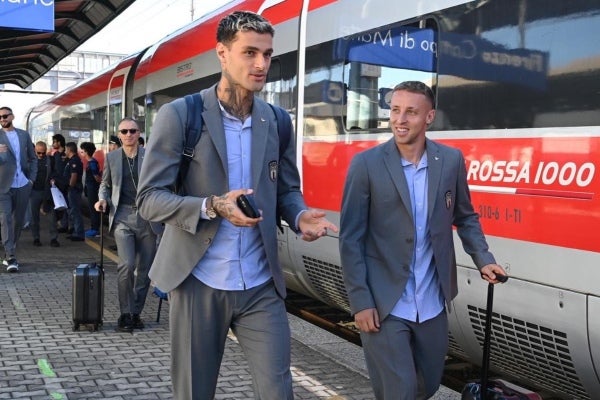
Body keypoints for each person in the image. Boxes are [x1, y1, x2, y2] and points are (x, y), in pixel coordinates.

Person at [136, 11, 337, 400]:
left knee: (279, 392)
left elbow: (285, 191)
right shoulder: (181, 115)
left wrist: (298, 214)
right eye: (249, 53)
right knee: (195, 391)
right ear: (222, 54)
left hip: (260, 283)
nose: (261, 64)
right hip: (199, 281)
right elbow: (148, 200)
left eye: (267, 54)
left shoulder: (277, 121)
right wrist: (212, 206)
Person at [339, 81, 508, 400]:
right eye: (395, 110)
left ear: (429, 117)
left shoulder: (450, 161)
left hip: (432, 302)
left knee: (427, 385)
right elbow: (350, 238)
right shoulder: (367, 165)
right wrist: (360, 301)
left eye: (411, 112)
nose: (399, 119)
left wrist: (483, 258)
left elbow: (465, 216)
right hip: (385, 303)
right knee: (400, 390)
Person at [95, 118, 156, 333]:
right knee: (127, 265)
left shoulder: (150, 155)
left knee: (146, 270)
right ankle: (125, 313)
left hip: (149, 218)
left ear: (139, 133)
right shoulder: (112, 157)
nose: (128, 134)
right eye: (124, 131)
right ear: (119, 135)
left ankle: (136, 313)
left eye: (132, 130)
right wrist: (102, 198)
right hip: (121, 217)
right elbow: (105, 184)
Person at [0, 106, 37, 272]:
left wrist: (31, 180)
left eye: (5, 116)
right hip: (3, 186)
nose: (2, 119)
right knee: (6, 219)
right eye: (0, 117)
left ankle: (10, 248)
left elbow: (33, 158)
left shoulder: (23, 135)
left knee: (19, 221)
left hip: (22, 184)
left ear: (12, 116)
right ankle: (11, 256)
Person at [30, 141, 60, 247]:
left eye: (43, 152)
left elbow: (56, 172)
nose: (41, 155)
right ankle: (36, 238)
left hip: (48, 192)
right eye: (39, 153)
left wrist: (53, 179)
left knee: (52, 217)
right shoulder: (30, 161)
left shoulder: (50, 160)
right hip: (34, 192)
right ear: (35, 151)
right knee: (34, 218)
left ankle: (53, 238)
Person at [63, 142, 85, 241]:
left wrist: (70, 186)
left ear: (69, 150)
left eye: (66, 149)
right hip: (73, 189)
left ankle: (79, 233)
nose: (65, 151)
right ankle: (75, 231)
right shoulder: (71, 160)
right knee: (73, 210)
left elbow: (74, 176)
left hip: (74, 190)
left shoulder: (74, 161)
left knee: (75, 211)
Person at [80, 142, 102, 237]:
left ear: (86, 151)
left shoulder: (92, 163)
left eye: (82, 151)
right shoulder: (91, 162)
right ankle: (94, 228)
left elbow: (97, 178)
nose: (81, 153)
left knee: (93, 209)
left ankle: (95, 230)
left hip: (93, 189)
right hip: (90, 188)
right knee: (92, 208)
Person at [50, 133, 69, 233]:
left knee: (66, 204)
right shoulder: (56, 154)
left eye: (54, 142)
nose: (53, 144)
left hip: (65, 184)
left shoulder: (66, 155)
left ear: (59, 142)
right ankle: (63, 223)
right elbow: (54, 169)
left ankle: (66, 225)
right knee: (59, 204)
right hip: (57, 183)